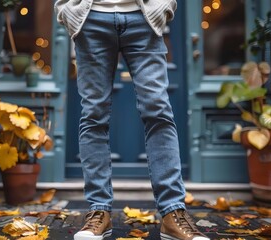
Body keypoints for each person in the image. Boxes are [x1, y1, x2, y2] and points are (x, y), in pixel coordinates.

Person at [54, 1, 209, 239]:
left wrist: (163, 5)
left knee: (158, 111)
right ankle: (99, 211)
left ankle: (172, 213)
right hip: (90, 17)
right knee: (93, 115)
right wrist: (67, 10)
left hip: (143, 17)